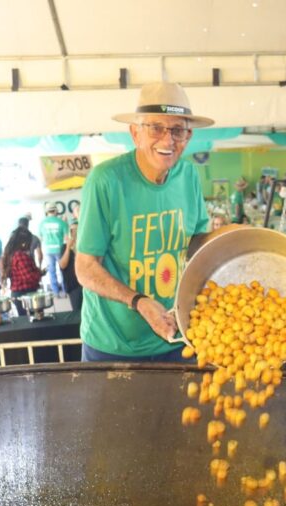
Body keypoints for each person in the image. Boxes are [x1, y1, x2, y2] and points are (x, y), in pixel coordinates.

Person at [75, 81, 219, 362]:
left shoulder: (188, 176)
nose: (168, 140)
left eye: (177, 130)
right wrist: (138, 301)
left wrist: (239, 241)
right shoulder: (105, 181)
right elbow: (85, 268)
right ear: (135, 133)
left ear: (188, 137)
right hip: (112, 346)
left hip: (176, 338)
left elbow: (198, 243)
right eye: (156, 128)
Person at [1, 227, 42, 313]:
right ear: (24, 242)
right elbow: (30, 277)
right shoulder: (20, 256)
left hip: (18, 293)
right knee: (32, 323)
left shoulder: (11, 254)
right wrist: (39, 272)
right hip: (25, 294)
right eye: (29, 242)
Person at [39, 205, 67, 296]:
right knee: (63, 270)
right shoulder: (61, 222)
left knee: (52, 271)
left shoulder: (42, 223)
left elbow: (41, 237)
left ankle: (55, 293)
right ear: (55, 211)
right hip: (59, 249)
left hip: (48, 250)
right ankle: (65, 290)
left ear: (47, 212)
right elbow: (67, 237)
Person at [58, 220, 83, 315]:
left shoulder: (84, 246)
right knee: (76, 312)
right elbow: (62, 265)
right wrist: (69, 247)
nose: (75, 233)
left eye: (77, 230)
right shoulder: (64, 247)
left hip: (86, 284)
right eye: (72, 230)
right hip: (73, 285)